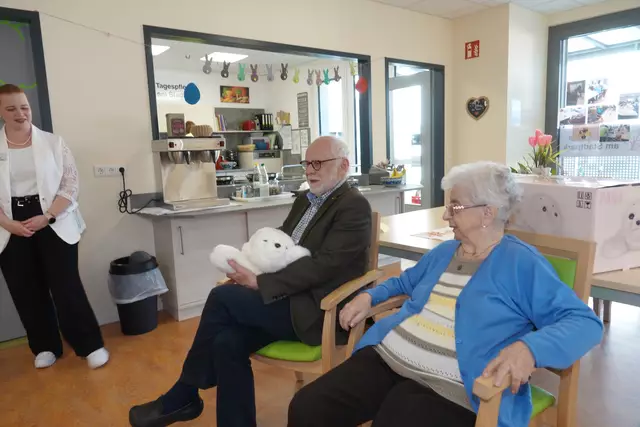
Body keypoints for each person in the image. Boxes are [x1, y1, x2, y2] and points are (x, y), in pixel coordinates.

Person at [288, 161, 603, 427]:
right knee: (307, 407)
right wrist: (370, 296)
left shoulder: (522, 263)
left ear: (487, 213)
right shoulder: (445, 252)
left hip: (455, 387)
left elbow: (585, 322)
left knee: (398, 413)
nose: (446, 216)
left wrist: (529, 349)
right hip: (390, 358)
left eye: (455, 207)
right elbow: (403, 283)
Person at [129, 136, 372, 427]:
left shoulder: (353, 206)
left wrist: (259, 282)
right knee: (226, 342)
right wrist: (246, 267)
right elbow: (277, 244)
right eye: (307, 163)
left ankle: (183, 395)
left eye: (318, 163)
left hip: (317, 311)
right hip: (286, 300)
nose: (309, 170)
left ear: (343, 166)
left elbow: (324, 267)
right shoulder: (304, 200)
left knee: (221, 298)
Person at [0, 84, 108, 369]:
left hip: (52, 217)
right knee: (25, 289)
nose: (20, 114)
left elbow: (70, 184)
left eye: (24, 107)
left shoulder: (53, 143)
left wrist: (47, 216)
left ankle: (90, 345)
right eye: (11, 109)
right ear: (1, 112)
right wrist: (8, 223)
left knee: (66, 286)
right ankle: (45, 346)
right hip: (9, 223)